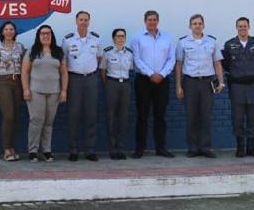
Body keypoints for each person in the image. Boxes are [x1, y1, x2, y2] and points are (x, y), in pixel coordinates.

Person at [175, 14, 224, 158]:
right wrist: (178, 86)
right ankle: (193, 147)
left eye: (199, 23)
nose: (197, 25)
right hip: (190, 82)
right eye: (194, 23)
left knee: (206, 115)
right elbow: (179, 64)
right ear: (190, 26)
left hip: (207, 82)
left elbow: (217, 63)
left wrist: (221, 82)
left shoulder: (212, 41)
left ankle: (205, 147)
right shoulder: (183, 42)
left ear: (204, 25)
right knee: (191, 116)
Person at [130, 10, 176, 158]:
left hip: (162, 81)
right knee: (142, 116)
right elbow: (137, 59)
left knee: (160, 116)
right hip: (143, 80)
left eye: (154, 19)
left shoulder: (167, 38)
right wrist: (151, 74)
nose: (152, 22)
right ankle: (139, 149)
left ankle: (161, 148)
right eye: (149, 20)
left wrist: (162, 74)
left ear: (158, 21)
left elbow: (171, 59)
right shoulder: (137, 37)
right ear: (145, 21)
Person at [61, 11, 105, 162]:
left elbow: (98, 58)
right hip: (74, 80)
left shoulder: (96, 39)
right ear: (76, 21)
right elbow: (64, 61)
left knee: (91, 115)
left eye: (86, 20)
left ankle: (90, 150)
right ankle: (73, 150)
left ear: (89, 21)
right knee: (73, 115)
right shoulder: (67, 40)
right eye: (81, 19)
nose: (83, 22)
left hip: (91, 79)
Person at [21, 25, 68, 163]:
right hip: (36, 91)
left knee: (48, 122)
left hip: (54, 92)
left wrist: (64, 90)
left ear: (52, 36)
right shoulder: (32, 51)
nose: (45, 36)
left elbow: (64, 72)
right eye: (42, 33)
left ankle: (46, 150)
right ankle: (33, 151)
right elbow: (24, 72)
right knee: (36, 121)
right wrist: (25, 89)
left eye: (48, 33)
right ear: (38, 36)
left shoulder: (58, 52)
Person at [222, 17, 254, 158]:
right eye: (240, 26)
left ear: (249, 27)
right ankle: (240, 147)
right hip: (237, 87)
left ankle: (251, 147)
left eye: (244, 26)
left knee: (253, 118)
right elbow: (226, 64)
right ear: (236, 28)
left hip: (253, 87)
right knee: (238, 118)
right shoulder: (229, 45)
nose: (242, 28)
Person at [0, 21, 26, 162]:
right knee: (8, 116)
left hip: (17, 82)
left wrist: (25, 86)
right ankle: (6, 149)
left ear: (15, 32)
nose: (9, 31)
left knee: (16, 116)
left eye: (12, 29)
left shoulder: (21, 47)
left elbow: (24, 67)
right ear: (2, 32)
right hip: (3, 81)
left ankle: (12, 148)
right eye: (6, 29)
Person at [100, 28, 133, 160]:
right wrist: (108, 84)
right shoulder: (107, 52)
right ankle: (112, 148)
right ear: (113, 38)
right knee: (111, 117)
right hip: (112, 84)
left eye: (123, 36)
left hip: (125, 84)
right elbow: (103, 70)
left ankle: (121, 148)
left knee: (123, 117)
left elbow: (130, 69)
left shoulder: (129, 53)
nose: (120, 39)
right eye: (118, 36)